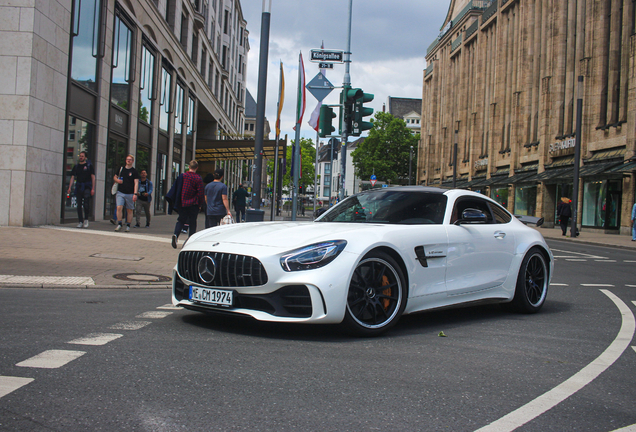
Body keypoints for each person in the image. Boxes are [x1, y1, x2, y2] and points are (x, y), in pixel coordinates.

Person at [172, 160, 204, 249]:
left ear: (189, 167)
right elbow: (200, 192)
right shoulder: (198, 178)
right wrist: (200, 204)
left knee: (181, 220)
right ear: (197, 168)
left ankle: (175, 234)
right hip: (194, 204)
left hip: (183, 203)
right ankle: (190, 241)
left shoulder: (183, 176)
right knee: (192, 222)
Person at [67, 151, 95, 228]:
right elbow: (72, 177)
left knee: (86, 203)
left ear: (85, 157)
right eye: (80, 156)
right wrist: (69, 187)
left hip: (87, 186)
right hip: (79, 186)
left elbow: (93, 177)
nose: (81, 157)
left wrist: (93, 188)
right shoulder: (76, 167)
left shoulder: (89, 166)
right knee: (79, 205)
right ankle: (80, 221)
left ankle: (86, 219)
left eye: (82, 156)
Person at [113, 154, 139, 232]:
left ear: (132, 161)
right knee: (119, 207)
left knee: (129, 210)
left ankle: (128, 225)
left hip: (130, 193)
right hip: (120, 192)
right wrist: (117, 180)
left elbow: (136, 183)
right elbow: (115, 177)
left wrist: (135, 194)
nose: (128, 160)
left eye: (130, 159)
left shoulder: (134, 171)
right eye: (127, 159)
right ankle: (120, 223)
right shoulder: (121, 169)